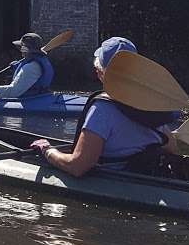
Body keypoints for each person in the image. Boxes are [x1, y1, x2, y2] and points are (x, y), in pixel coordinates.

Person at [29, 35, 177, 176]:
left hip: (121, 182)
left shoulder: (103, 109)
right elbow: (171, 148)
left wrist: (48, 151)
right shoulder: (153, 104)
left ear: (100, 72)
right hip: (151, 176)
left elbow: (78, 166)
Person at [0, 32, 54, 101]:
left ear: (26, 49)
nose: (20, 51)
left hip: (28, 99)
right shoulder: (38, 62)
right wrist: (18, 68)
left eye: (22, 48)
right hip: (37, 96)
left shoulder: (30, 67)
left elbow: (12, 92)